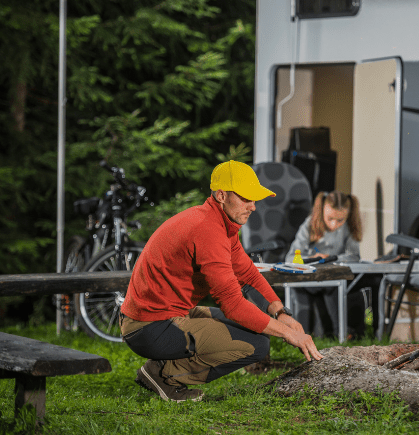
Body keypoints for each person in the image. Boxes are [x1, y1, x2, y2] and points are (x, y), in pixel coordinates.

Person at [120, 160, 322, 403]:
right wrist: (289, 335)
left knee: (255, 333)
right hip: (149, 327)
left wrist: (281, 313)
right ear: (221, 195)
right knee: (256, 345)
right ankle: (164, 375)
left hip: (166, 316)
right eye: (246, 199)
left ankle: (164, 369)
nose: (253, 207)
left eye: (254, 199)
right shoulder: (207, 229)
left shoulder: (221, 224)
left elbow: (247, 274)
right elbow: (233, 305)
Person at [284, 191, 372, 338]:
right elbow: (290, 257)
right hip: (309, 278)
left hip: (333, 277)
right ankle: (340, 332)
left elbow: (354, 256)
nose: (334, 225)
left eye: (340, 220)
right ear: (322, 210)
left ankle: (342, 334)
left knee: (333, 283)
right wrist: (312, 258)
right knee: (331, 284)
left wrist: (332, 258)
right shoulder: (309, 224)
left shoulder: (349, 227)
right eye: (330, 219)